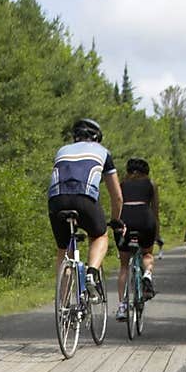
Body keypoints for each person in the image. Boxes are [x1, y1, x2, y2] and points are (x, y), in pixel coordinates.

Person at [48, 118, 124, 300]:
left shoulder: (62, 150)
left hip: (56, 200)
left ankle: (63, 305)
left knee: (63, 249)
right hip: (84, 198)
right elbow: (117, 196)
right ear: (97, 137)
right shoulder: (103, 152)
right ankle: (91, 272)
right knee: (100, 235)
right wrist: (116, 220)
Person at [115, 157, 161, 321]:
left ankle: (122, 306)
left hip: (125, 222)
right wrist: (157, 235)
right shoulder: (151, 184)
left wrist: (117, 225)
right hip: (145, 220)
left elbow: (117, 204)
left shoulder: (121, 185)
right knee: (147, 254)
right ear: (146, 172)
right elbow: (155, 211)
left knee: (124, 266)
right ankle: (147, 274)